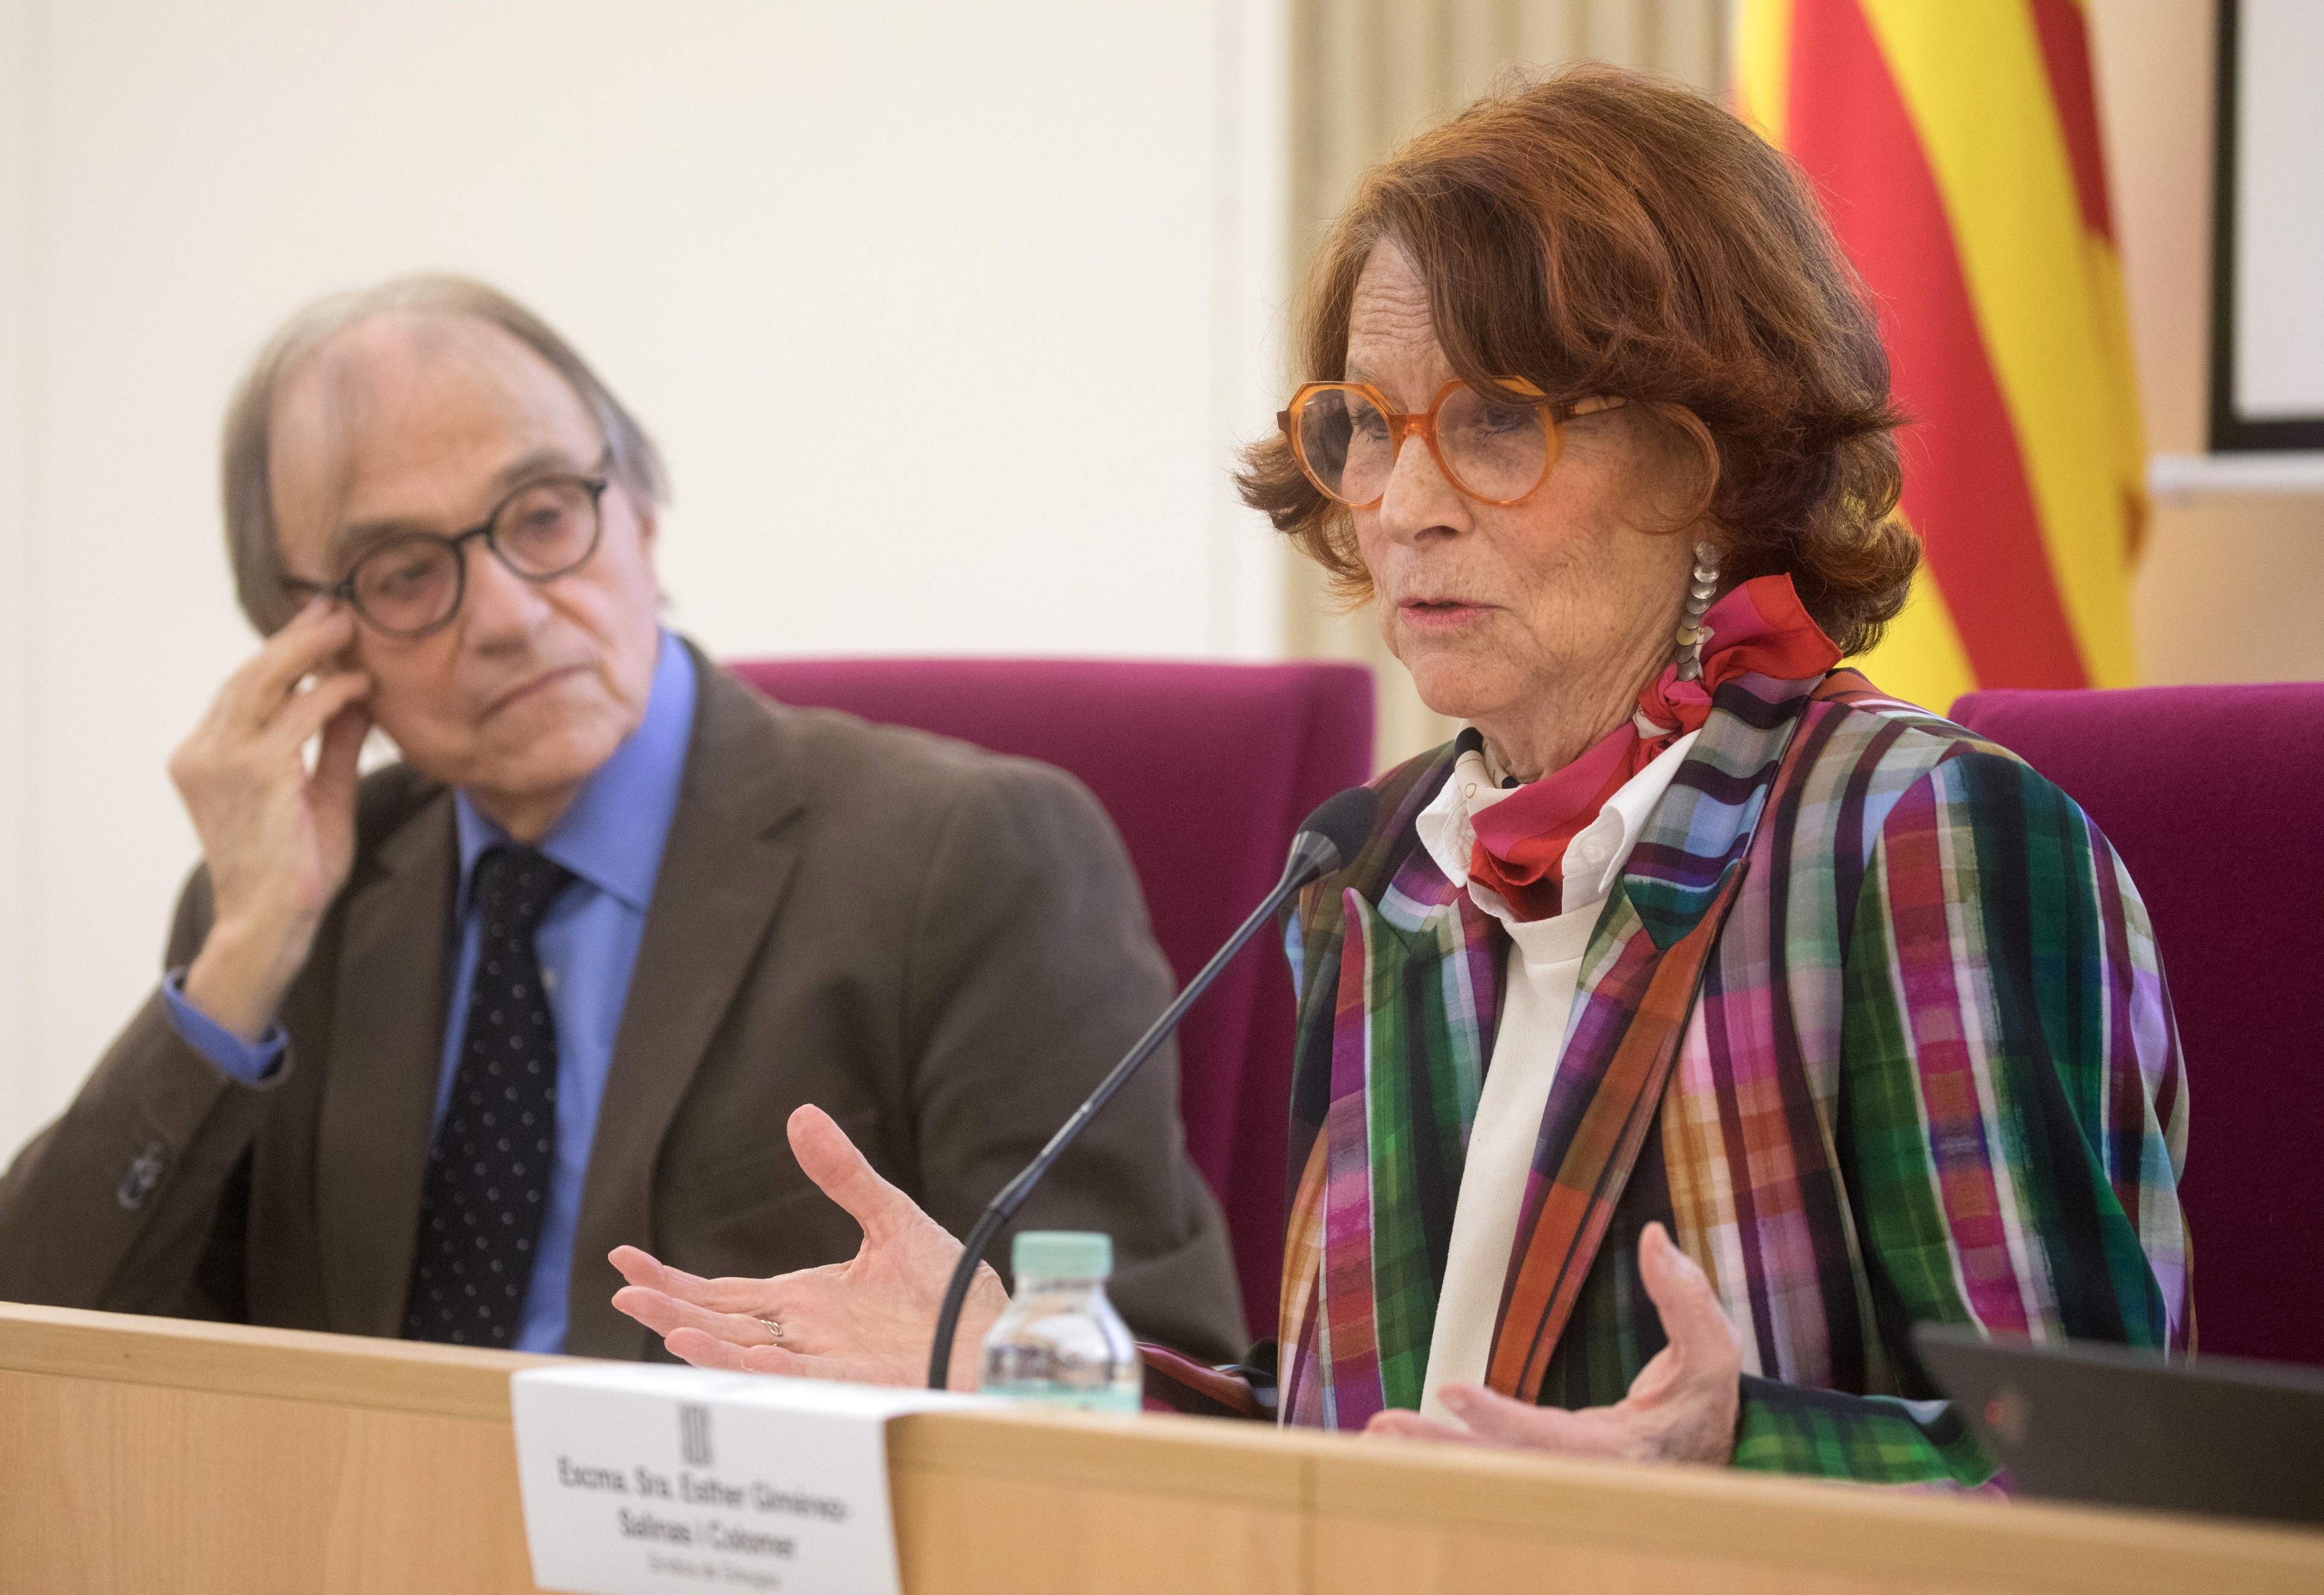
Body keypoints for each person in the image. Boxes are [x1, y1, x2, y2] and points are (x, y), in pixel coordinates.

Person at [609, 68, 2189, 1487]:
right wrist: (1010, 1366)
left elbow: (2102, 1479)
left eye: (1498, 420)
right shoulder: (1383, 871)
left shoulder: (1908, 836)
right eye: (1367, 424)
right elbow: (1343, 1452)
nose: (1405, 501)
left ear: (1709, 458)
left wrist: (1738, 1456)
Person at [0, 276, 1245, 1365]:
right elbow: (9, 1359)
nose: (506, 611)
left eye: (544, 515)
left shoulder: (968, 856)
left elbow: (1141, 1374)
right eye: (405, 572)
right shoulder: (295, 911)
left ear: (641, 510)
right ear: (307, 640)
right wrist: (242, 955)